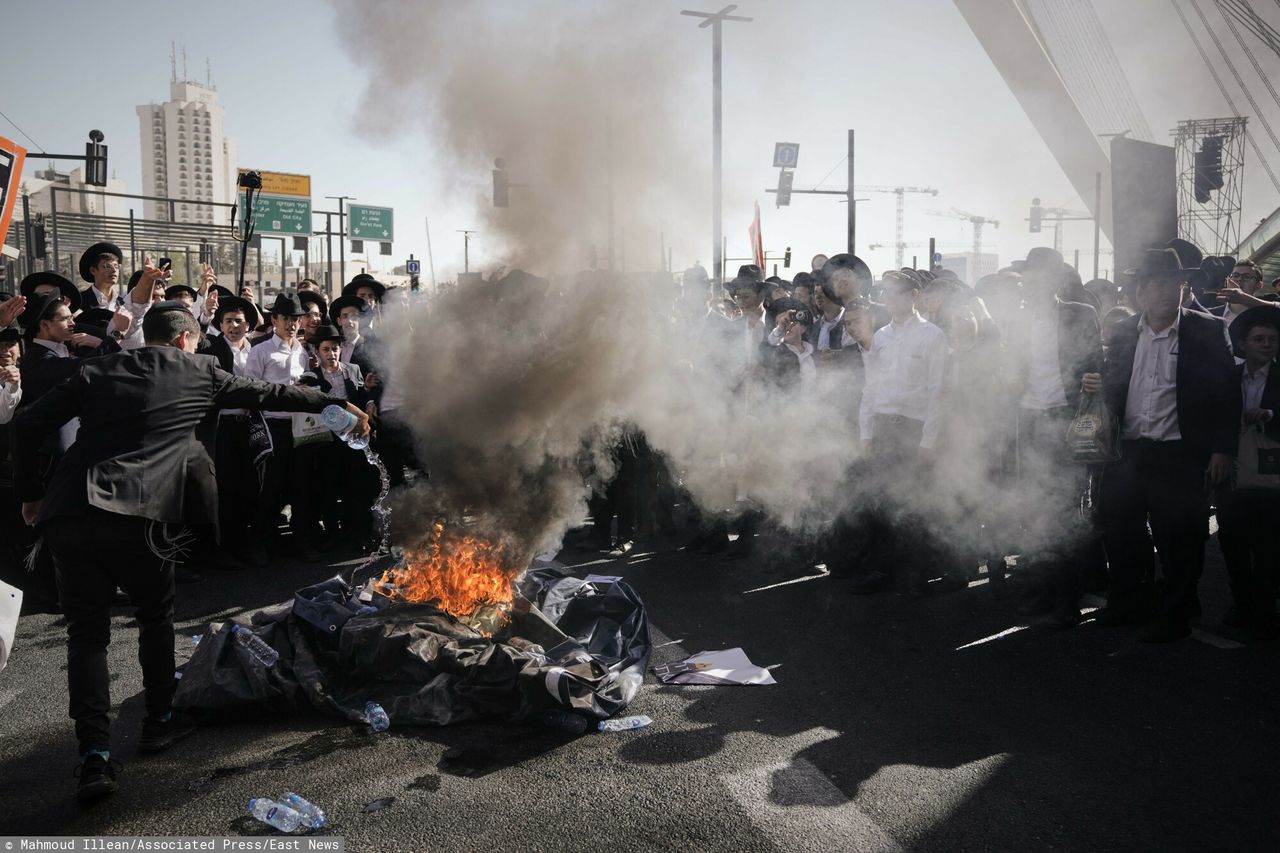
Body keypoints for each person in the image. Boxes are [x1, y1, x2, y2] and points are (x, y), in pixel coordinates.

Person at [12, 301, 368, 802]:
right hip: (144, 513)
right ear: (184, 340)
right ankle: (158, 720)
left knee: (86, 636)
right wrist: (337, 404)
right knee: (155, 617)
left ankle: (94, 755)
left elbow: (27, 423)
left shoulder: (98, 368)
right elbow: (271, 392)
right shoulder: (200, 369)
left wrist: (31, 493)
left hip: (71, 512)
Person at [1084, 248, 1239, 642]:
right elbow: (1113, 384)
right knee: (1122, 533)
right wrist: (1095, 385)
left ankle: (1176, 613)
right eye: (1158, 285)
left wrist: (1223, 449)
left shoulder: (1205, 329)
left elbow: (1226, 394)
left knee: (1180, 537)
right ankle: (1128, 603)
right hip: (1129, 451)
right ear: (1140, 293)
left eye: (1175, 284)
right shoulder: (1122, 332)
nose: (1169, 292)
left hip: (1180, 454)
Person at [1005, 247, 1103, 626]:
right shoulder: (1018, 320)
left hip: (1066, 418)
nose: (1032, 282)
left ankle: (1067, 599)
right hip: (1030, 419)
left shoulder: (1080, 313)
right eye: (1028, 275)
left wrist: (1088, 397)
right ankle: (1043, 590)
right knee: (1034, 509)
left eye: (1040, 275)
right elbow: (1011, 369)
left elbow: (1096, 368)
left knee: (1065, 510)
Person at [847, 270, 949, 594]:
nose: (890, 300)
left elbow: (938, 392)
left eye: (896, 293)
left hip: (913, 428)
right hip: (883, 426)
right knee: (880, 502)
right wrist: (866, 434)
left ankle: (915, 573)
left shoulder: (933, 336)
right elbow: (870, 388)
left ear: (913, 295)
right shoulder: (881, 337)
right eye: (887, 294)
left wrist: (929, 440)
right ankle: (882, 569)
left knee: (913, 504)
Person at [1214, 307, 1280, 641]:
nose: (1267, 344)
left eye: (1272, 339)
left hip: (1273, 475)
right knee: (1233, 540)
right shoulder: (1230, 376)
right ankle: (1242, 602)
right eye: (1259, 339)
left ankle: (1266, 607)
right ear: (1243, 343)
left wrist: (1270, 414)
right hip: (1232, 470)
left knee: (1270, 544)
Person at [242, 292, 312, 563]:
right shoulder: (260, 349)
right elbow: (250, 388)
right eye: (286, 318)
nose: (292, 324)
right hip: (272, 425)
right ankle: (260, 542)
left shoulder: (303, 352)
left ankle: (302, 541)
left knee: (302, 486)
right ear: (274, 319)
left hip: (301, 426)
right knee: (271, 487)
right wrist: (284, 392)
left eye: (296, 318)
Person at [78, 242, 126, 311]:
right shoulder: (80, 301)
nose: (114, 270)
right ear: (93, 271)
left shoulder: (123, 303)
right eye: (107, 266)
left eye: (116, 266)